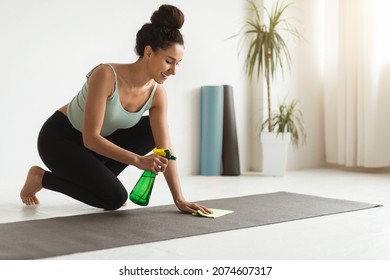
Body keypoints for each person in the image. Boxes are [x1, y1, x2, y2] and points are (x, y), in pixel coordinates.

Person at [20, 4, 211, 214]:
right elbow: (90, 138)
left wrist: (180, 199)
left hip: (96, 151)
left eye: (178, 63)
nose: (173, 71)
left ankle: (101, 181)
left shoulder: (157, 95)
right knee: (115, 199)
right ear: (148, 52)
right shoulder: (106, 75)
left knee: (151, 130)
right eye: (169, 61)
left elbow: (166, 150)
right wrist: (138, 160)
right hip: (61, 142)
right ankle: (41, 177)